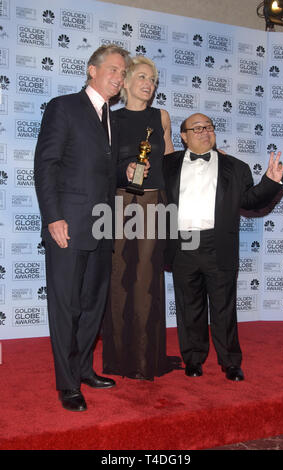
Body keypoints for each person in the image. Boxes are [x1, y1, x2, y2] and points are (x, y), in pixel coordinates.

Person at [34, 45, 131, 412]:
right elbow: (47, 166)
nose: (119, 78)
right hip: (68, 226)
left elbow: (105, 173)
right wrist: (53, 217)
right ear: (92, 70)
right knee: (66, 306)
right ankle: (67, 383)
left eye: (123, 72)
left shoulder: (113, 118)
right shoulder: (64, 107)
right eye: (114, 70)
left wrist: (127, 174)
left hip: (103, 227)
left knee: (93, 305)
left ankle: (85, 368)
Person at [162, 113, 283, 381]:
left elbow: (251, 201)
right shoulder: (166, 165)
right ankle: (193, 359)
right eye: (196, 128)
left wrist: (271, 182)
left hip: (218, 244)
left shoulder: (236, 167)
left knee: (223, 307)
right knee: (189, 306)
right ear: (183, 136)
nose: (204, 131)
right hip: (182, 243)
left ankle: (230, 362)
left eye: (208, 127)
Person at [102, 55, 177, 380]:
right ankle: (119, 359)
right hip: (118, 202)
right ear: (128, 81)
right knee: (118, 277)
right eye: (144, 77)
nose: (150, 84)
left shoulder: (161, 116)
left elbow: (171, 160)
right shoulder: (110, 118)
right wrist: (125, 169)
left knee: (147, 279)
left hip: (153, 202)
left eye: (154, 80)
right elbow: (102, 165)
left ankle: (148, 359)